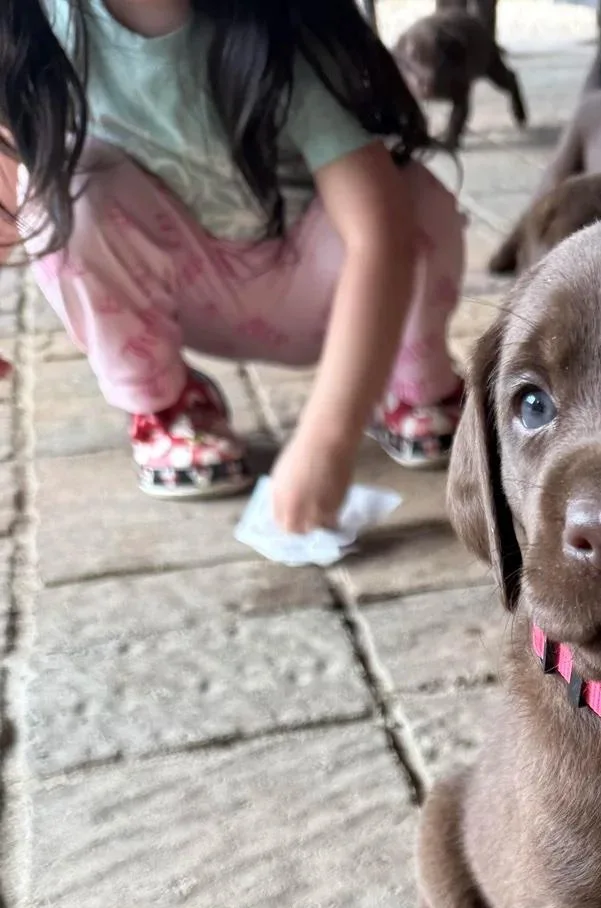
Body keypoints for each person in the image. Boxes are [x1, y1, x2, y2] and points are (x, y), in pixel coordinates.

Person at [0, 0, 468, 531]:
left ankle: (408, 381)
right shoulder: (39, 23)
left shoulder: (279, 27)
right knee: (59, 195)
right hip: (190, 293)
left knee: (411, 201)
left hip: (328, 294)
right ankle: (166, 407)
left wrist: (327, 438)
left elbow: (376, 234)